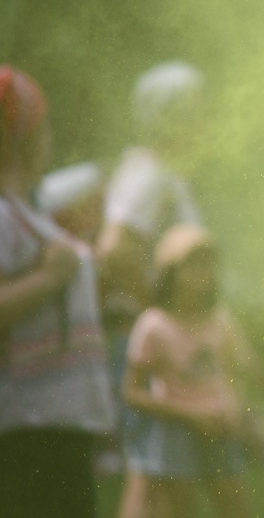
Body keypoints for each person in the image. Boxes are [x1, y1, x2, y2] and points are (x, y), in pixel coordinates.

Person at [0, 66, 116, 517]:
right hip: (27, 427)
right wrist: (48, 279)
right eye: (44, 126)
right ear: (24, 136)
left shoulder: (26, 212)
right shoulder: (4, 216)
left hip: (55, 423)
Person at [98, 60, 206, 518]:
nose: (204, 120)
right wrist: (156, 316)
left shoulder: (163, 174)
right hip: (149, 342)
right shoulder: (148, 175)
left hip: (156, 339)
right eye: (195, 109)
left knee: (164, 480)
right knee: (153, 478)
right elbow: (115, 248)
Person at [122, 224, 256, 518]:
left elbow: (236, 373)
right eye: (193, 265)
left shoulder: (219, 320)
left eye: (209, 264)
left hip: (219, 428)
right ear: (170, 273)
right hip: (177, 431)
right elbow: (132, 392)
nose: (204, 272)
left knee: (237, 509)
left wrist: (235, 408)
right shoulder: (154, 325)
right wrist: (190, 416)